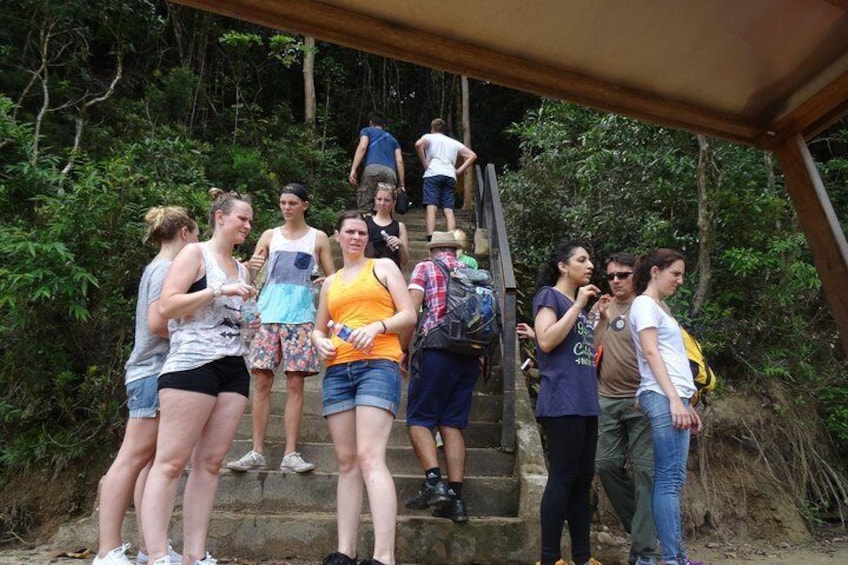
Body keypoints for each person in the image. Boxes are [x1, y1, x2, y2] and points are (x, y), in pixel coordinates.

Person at [139, 188, 258, 565]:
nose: (248, 226)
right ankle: (157, 553)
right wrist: (218, 289)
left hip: (233, 366)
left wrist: (252, 318)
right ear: (220, 217)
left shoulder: (242, 267)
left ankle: (195, 554)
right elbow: (168, 306)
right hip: (191, 363)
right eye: (243, 218)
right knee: (171, 461)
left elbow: (236, 317)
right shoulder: (195, 253)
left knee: (209, 464)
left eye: (251, 221)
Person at [92, 207, 198, 565]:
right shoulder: (166, 269)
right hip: (152, 370)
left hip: (154, 371)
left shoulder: (157, 267)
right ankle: (107, 549)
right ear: (185, 233)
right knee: (132, 457)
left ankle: (146, 547)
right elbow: (157, 323)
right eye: (196, 235)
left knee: (150, 461)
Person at [311, 211, 416, 565]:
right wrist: (318, 342)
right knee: (346, 461)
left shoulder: (384, 268)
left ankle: (383, 556)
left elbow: (408, 315)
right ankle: (345, 551)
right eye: (349, 232)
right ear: (337, 236)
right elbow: (318, 327)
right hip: (338, 369)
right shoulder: (331, 282)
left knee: (371, 457)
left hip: (378, 363)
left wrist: (377, 327)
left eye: (361, 232)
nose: (356, 237)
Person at [227, 182, 335, 474]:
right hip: (267, 314)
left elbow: (333, 278)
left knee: (295, 383)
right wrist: (251, 264)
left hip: (301, 317)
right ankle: (256, 450)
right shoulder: (269, 235)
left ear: (305, 204)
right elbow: (248, 275)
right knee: (261, 381)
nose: (286, 207)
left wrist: (326, 285)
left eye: (292, 202)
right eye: (283, 202)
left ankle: (290, 452)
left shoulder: (318, 238)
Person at [629, 249, 703, 565]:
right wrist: (674, 399)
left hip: (671, 395)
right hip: (664, 396)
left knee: (671, 481)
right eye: (676, 273)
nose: (680, 280)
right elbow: (650, 353)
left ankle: (678, 557)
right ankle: (673, 559)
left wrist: (686, 402)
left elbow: (668, 357)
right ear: (656, 271)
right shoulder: (645, 304)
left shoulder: (660, 307)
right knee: (669, 481)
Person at [402, 231, 481, 523]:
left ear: (433, 249)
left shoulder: (425, 267)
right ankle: (457, 499)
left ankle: (434, 482)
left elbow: (411, 313)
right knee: (452, 424)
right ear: (455, 250)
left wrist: (402, 349)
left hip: (436, 349)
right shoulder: (472, 273)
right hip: (470, 355)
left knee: (420, 419)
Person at [532, 240, 603, 565]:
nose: (590, 265)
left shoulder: (580, 306)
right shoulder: (550, 296)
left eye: (590, 260)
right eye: (582, 259)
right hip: (562, 401)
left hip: (586, 402)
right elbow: (546, 341)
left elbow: (582, 352)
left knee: (583, 479)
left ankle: (582, 558)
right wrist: (578, 306)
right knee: (562, 476)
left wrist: (593, 316)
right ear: (563, 265)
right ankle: (549, 559)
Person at [593, 253, 660, 565]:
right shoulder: (603, 307)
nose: (616, 280)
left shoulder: (648, 306)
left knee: (646, 473)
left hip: (642, 400)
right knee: (605, 464)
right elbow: (590, 350)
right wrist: (601, 319)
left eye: (623, 274)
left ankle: (645, 551)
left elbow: (662, 352)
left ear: (638, 276)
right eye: (611, 276)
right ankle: (643, 533)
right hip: (607, 399)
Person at [414, 118, 477, 240]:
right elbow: (472, 155)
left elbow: (418, 144)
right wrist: (459, 170)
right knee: (448, 208)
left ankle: (430, 236)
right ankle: (452, 237)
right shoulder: (454, 143)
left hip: (433, 174)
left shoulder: (429, 137)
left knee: (431, 205)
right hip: (449, 175)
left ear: (432, 128)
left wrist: (425, 163)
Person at [349, 111, 405, 213]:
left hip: (372, 169)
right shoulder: (393, 140)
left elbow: (362, 147)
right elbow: (399, 161)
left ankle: (366, 226)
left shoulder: (367, 131)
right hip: (390, 173)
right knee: (386, 205)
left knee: (365, 205)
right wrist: (401, 184)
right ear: (383, 125)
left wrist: (353, 169)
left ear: (370, 122)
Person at [365, 182, 410, 269]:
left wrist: (401, 245)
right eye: (379, 199)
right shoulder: (365, 222)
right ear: (375, 199)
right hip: (369, 271)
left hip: (391, 272)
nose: (382, 203)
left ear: (393, 203)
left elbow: (404, 261)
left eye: (387, 200)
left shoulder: (399, 226)